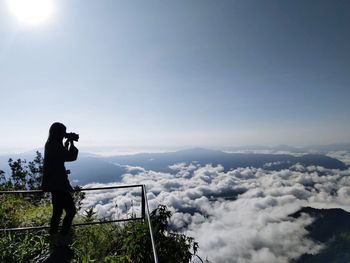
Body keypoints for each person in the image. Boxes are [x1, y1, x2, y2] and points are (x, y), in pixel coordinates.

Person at [42, 122, 79, 247]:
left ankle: (53, 239)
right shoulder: (54, 146)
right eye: (63, 132)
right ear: (58, 133)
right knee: (71, 210)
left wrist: (66, 143)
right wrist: (71, 143)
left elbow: (60, 158)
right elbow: (71, 156)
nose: (64, 134)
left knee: (57, 212)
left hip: (54, 184)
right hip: (59, 184)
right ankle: (62, 238)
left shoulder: (51, 144)